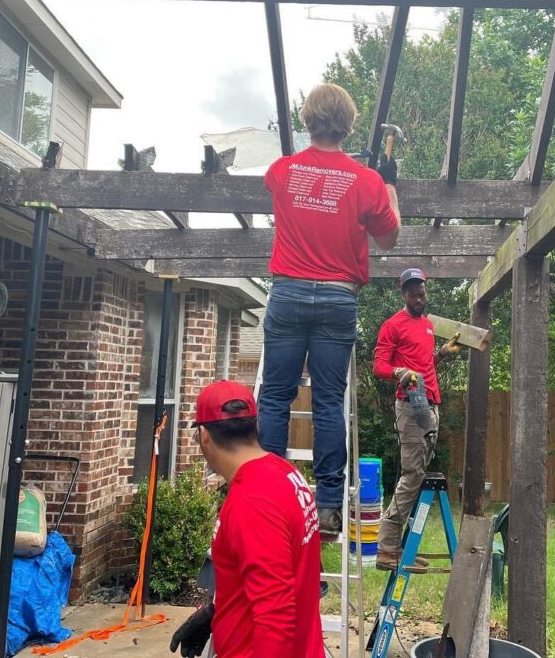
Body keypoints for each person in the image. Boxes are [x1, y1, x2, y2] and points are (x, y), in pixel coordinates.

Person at [260, 83, 401, 534]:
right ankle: (327, 505)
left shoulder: (282, 171)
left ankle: (266, 493)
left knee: (276, 396)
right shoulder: (367, 181)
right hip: (338, 297)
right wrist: (390, 184)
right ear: (349, 123)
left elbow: (295, 192)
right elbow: (389, 238)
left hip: (289, 292)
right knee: (327, 402)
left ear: (308, 119)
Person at [168, 380, 323, 658]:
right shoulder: (285, 473)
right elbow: (278, 571)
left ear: (204, 435)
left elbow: (276, 614)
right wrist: (216, 614)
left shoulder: (252, 501)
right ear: (256, 426)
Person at [372, 268, 461, 571]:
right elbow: (379, 366)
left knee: (419, 473)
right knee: (412, 475)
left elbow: (423, 363)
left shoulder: (426, 325)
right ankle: (387, 549)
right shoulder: (393, 325)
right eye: (413, 293)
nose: (419, 297)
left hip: (430, 404)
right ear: (404, 295)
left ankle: (399, 547)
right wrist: (399, 371)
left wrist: (442, 354)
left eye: (422, 292)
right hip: (410, 406)